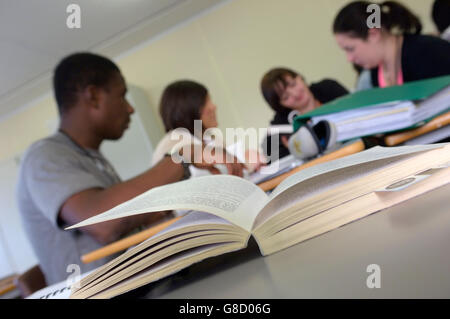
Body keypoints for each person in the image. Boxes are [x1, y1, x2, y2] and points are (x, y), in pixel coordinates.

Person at [16, 53, 243, 285]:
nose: (131, 109)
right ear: (93, 96)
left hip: (138, 282)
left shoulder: (93, 160)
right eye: (122, 96)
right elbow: (104, 223)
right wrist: (182, 156)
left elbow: (125, 221)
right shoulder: (43, 156)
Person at [152, 80, 263, 176]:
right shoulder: (172, 143)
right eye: (206, 102)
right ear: (188, 110)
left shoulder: (210, 137)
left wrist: (249, 158)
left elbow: (236, 163)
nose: (213, 107)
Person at [333, 1, 450, 89]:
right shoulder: (373, 75)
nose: (349, 58)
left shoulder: (428, 51)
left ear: (373, 34)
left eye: (350, 49)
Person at [260, 67, 349, 160]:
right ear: (281, 105)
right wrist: (293, 148)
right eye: (286, 97)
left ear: (299, 77)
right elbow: (269, 154)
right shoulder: (282, 122)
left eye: (293, 84)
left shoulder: (329, 88)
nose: (295, 94)